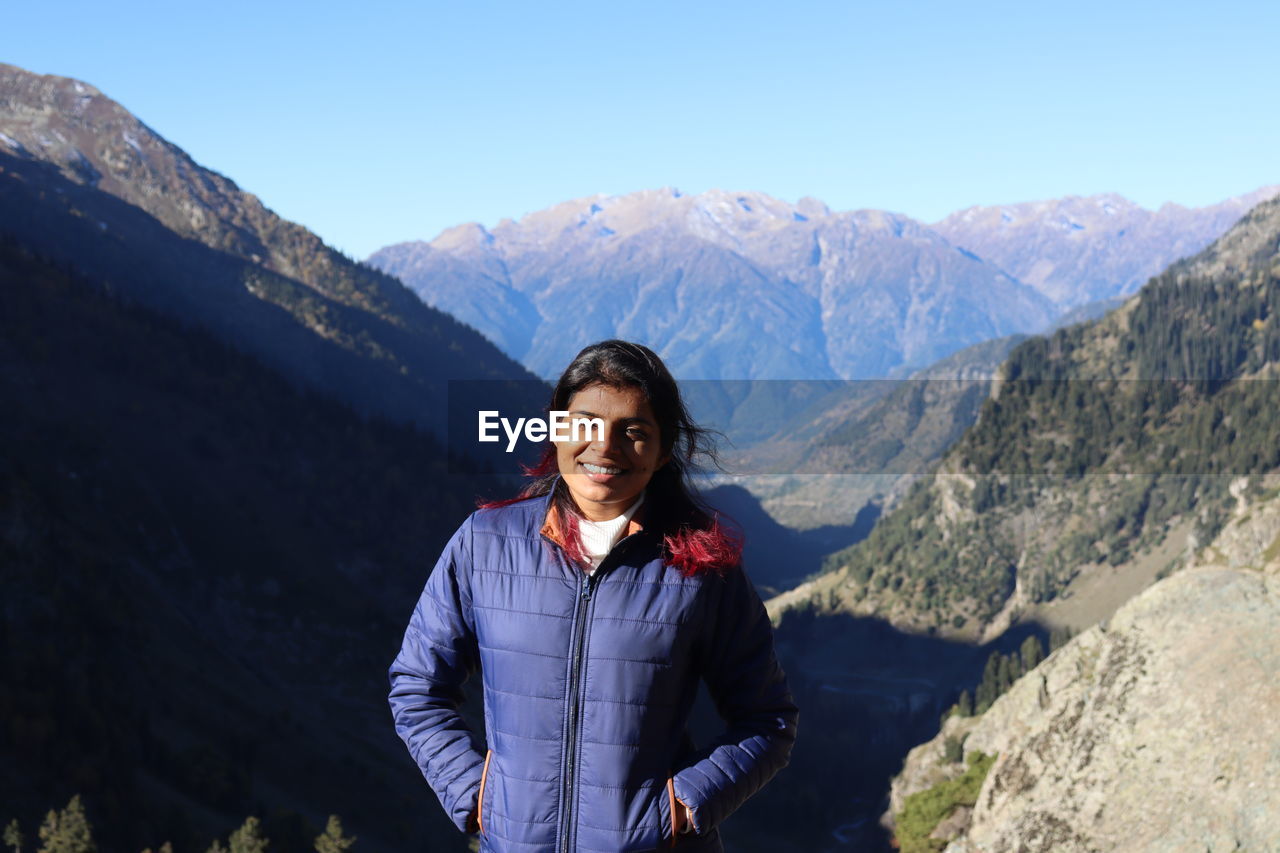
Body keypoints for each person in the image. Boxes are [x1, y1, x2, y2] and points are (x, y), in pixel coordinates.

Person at [388, 340, 798, 852]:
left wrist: (684, 805)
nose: (604, 447)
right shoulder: (485, 543)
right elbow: (416, 687)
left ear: (664, 448)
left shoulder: (700, 567)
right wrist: (475, 793)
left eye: (634, 431)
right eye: (583, 424)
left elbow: (768, 718)